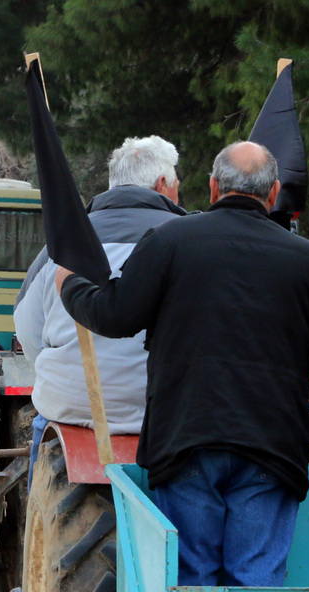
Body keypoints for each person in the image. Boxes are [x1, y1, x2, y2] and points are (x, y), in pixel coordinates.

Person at [56, 141, 309, 587]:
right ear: (273, 194)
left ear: (212, 188)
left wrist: (71, 285)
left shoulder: (170, 240)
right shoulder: (305, 257)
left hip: (188, 435)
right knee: (257, 581)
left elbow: (115, 315)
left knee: (192, 581)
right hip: (272, 443)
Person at [15, 135, 187, 474]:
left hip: (71, 410)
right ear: (164, 184)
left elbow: (27, 330)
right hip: (166, 415)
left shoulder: (58, 248)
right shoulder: (188, 241)